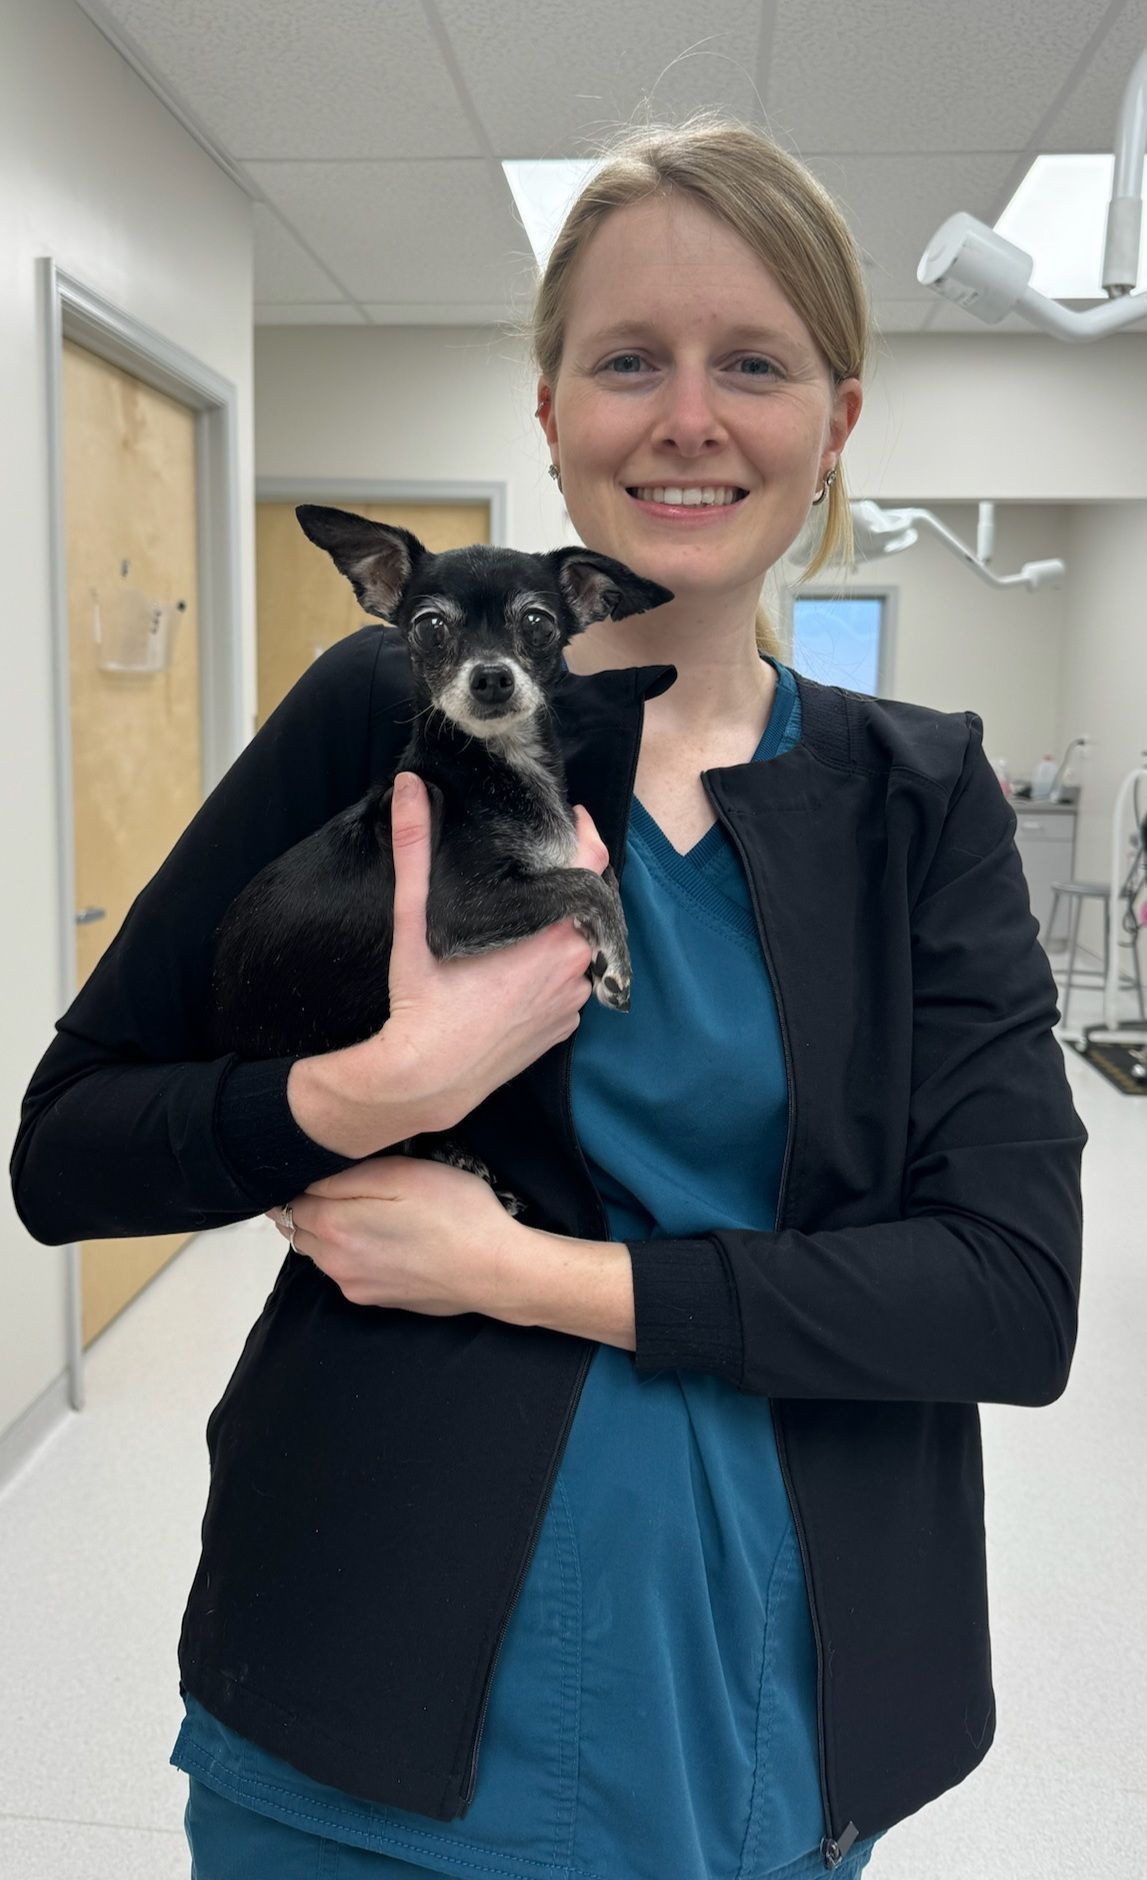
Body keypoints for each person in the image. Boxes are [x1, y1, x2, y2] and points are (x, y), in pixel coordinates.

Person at [9, 116, 1086, 1880]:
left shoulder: (917, 799)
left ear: (839, 419)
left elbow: (1006, 1301)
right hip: (363, 1696)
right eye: (626, 362)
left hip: (771, 1708)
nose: (688, 416)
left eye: (752, 361)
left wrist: (514, 1270)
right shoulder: (391, 711)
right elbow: (69, 1155)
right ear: (550, 412)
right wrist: (357, 1097)